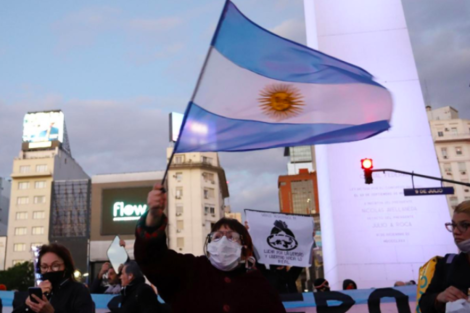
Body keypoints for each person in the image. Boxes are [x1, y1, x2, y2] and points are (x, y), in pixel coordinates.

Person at [134, 184, 286, 313]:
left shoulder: (260, 285)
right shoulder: (189, 270)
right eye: (218, 236)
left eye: (231, 236)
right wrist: (153, 217)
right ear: (209, 243)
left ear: (244, 246)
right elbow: (152, 258)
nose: (224, 241)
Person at [420, 200, 470, 313]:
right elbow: (424, 303)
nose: (456, 232)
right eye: (453, 225)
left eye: (464, 225)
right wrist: (439, 297)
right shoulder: (447, 264)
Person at [13, 243, 94, 313]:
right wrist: (26, 304)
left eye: (55, 266)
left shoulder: (79, 290)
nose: (49, 270)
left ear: (66, 266)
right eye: (44, 267)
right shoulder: (39, 291)